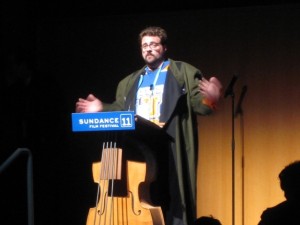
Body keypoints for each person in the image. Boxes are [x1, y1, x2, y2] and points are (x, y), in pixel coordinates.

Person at [75, 26, 222, 225]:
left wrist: (211, 99)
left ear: (164, 47)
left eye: (153, 44)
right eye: (144, 46)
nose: (148, 49)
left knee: (172, 201)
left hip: (169, 144)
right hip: (139, 146)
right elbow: (121, 110)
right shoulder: (129, 82)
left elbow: (200, 105)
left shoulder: (183, 72)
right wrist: (101, 108)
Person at [258, 160, 300, 225]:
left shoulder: (273, 216)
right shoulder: (273, 215)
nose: (285, 195)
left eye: (288, 190)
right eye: (285, 190)